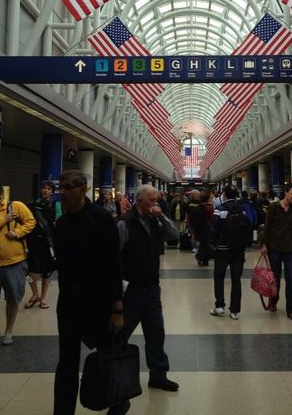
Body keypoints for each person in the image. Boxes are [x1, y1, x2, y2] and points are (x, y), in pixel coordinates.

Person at [54, 169, 126, 415]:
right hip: (70, 302)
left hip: (100, 301)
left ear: (83, 189)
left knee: (107, 356)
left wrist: (117, 307)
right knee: (67, 363)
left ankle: (118, 401)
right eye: (60, 187)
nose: (62, 192)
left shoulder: (102, 219)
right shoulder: (61, 223)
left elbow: (114, 264)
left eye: (68, 187)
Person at [117, 184, 180, 392]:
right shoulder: (125, 224)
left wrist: (161, 216)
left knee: (156, 333)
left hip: (152, 288)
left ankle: (159, 375)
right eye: (152, 200)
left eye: (157, 200)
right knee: (120, 333)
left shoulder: (155, 221)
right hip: (131, 289)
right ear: (140, 201)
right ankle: (113, 373)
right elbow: (113, 257)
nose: (156, 203)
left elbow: (173, 235)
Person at [0, 183, 36, 346]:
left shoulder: (16, 206)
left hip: (15, 262)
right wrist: (4, 220)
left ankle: (9, 331)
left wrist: (17, 233)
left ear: (1, 195)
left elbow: (31, 222)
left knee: (12, 298)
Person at [260, 183, 292, 321]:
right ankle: (273, 301)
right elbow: (267, 227)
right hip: (274, 249)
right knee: (275, 279)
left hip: (290, 249)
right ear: (286, 193)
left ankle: (291, 310)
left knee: (291, 279)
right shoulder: (273, 207)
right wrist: (263, 245)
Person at [209, 184, 248, 320]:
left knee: (219, 277)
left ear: (224, 194)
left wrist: (212, 244)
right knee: (236, 280)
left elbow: (214, 228)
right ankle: (235, 310)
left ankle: (220, 306)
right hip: (238, 250)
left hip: (222, 250)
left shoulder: (219, 210)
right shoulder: (242, 209)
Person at [25, 181, 57, 309]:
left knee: (47, 271)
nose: (45, 190)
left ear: (52, 192)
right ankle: (35, 294)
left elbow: (58, 221)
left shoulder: (56, 205)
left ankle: (43, 298)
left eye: (49, 189)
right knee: (28, 271)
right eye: (44, 188)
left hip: (47, 242)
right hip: (32, 240)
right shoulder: (32, 204)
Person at [187, 190, 212, 266]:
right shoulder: (207, 207)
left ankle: (202, 257)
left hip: (198, 225)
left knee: (202, 242)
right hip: (204, 226)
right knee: (204, 243)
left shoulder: (199, 206)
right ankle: (203, 257)